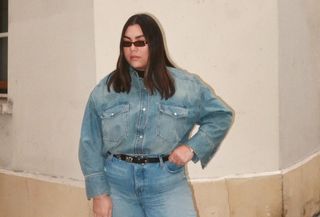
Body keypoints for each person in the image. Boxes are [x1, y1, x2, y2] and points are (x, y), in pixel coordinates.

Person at [79, 13, 233, 217]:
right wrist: (99, 193)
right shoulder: (106, 89)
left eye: (140, 42)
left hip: (166, 184)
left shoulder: (186, 87)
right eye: (127, 43)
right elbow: (89, 142)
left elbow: (221, 116)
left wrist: (192, 148)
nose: (132, 48)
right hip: (118, 186)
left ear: (154, 43)